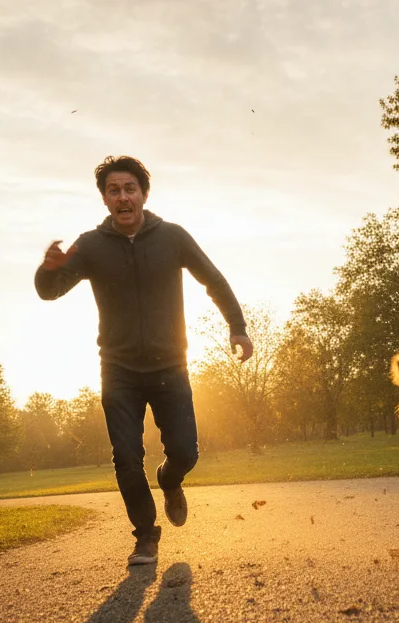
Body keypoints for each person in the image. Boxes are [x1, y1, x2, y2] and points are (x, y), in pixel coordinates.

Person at [36, 156, 252, 566]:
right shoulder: (91, 245)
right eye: (113, 190)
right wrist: (48, 270)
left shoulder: (172, 237)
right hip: (118, 369)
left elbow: (212, 278)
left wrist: (237, 327)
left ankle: (169, 479)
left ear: (144, 195)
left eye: (129, 189)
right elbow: (51, 290)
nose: (122, 197)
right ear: (105, 199)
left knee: (186, 452)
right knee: (126, 456)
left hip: (170, 365)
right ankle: (145, 536)